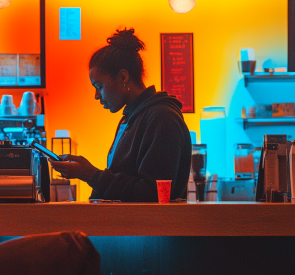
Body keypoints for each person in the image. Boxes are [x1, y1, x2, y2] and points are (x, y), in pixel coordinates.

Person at [49, 28, 192, 202]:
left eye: (99, 86)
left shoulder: (162, 118)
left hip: (150, 229)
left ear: (123, 77)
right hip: (128, 227)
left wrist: (90, 174)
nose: (96, 95)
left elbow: (152, 195)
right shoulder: (131, 119)